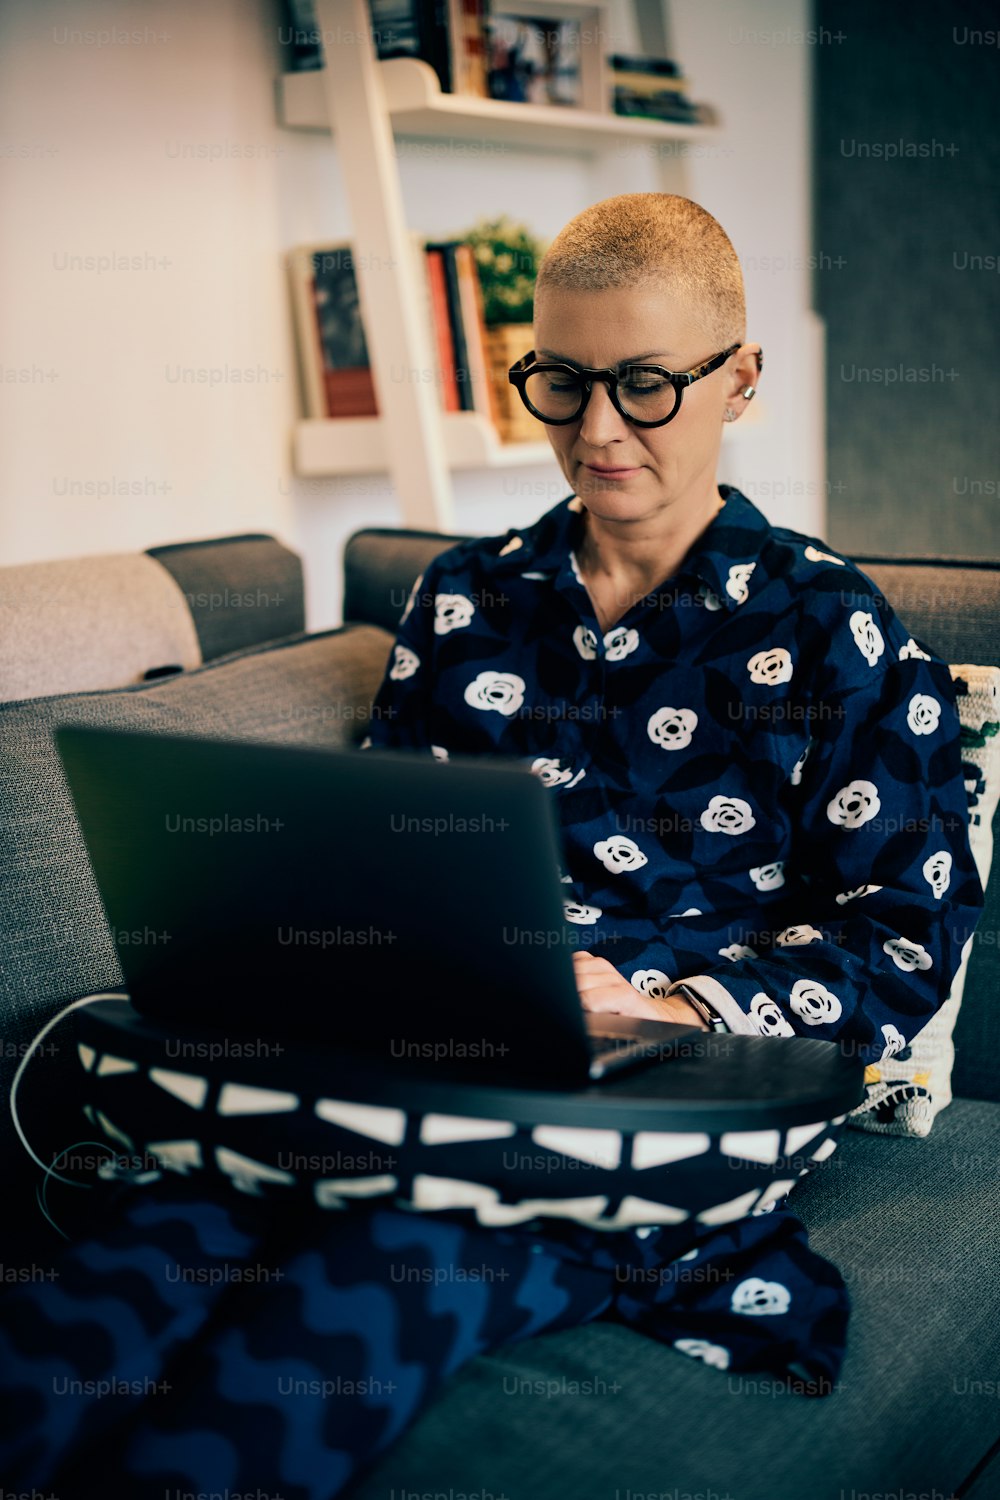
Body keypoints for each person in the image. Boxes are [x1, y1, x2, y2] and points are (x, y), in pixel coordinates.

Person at [0, 194, 982, 1498]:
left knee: (352, 1300)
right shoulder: (464, 598)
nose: (597, 431)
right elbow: (384, 855)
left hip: (642, 1118)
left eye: (646, 386)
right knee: (133, 1268)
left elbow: (903, 939)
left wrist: (667, 1001)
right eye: (561, 384)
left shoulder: (833, 633)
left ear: (741, 380)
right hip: (394, 1078)